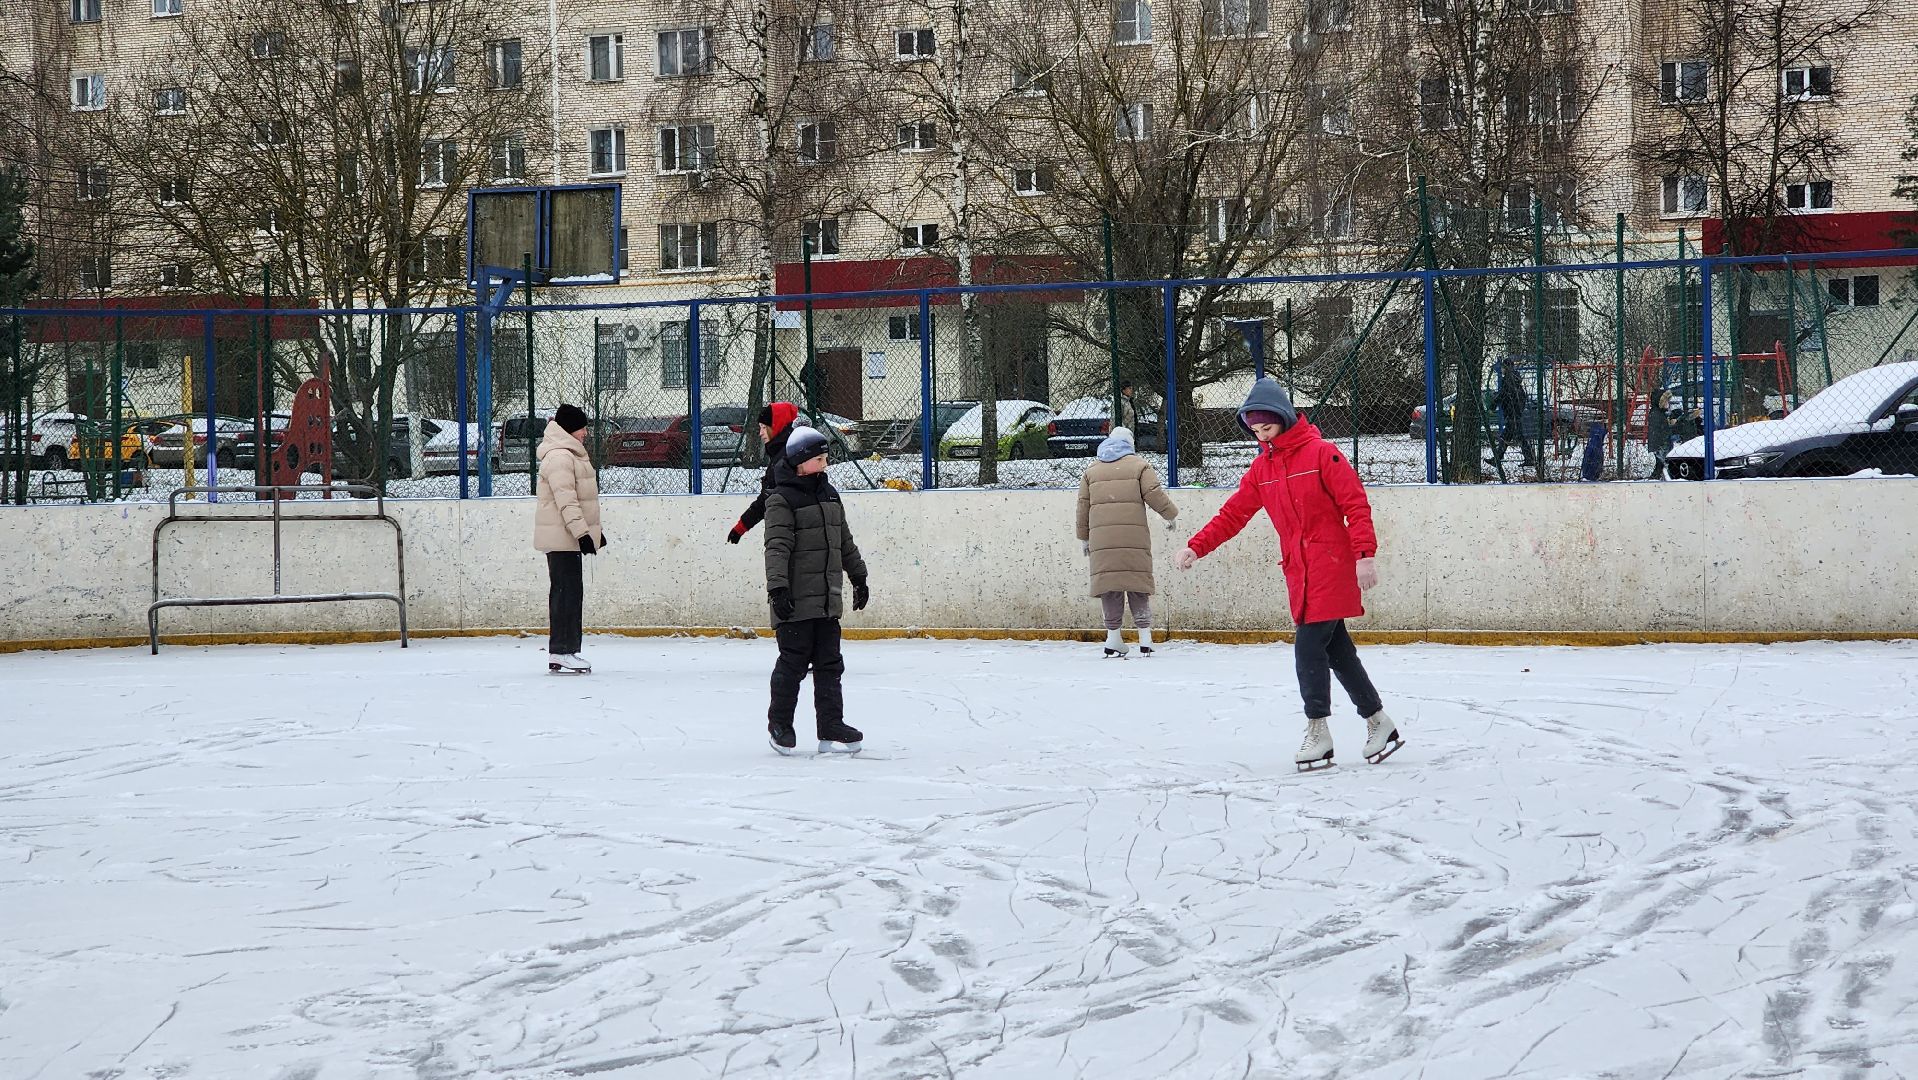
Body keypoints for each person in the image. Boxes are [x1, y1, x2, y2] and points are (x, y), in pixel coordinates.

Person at [1175, 377, 1403, 771]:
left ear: (1282, 418)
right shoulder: (1262, 468)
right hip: (1300, 571)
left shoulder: (1321, 455)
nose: (1261, 435)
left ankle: (1318, 731)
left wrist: (1364, 554)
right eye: (1255, 429)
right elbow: (1234, 514)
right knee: (1339, 653)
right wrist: (1197, 545)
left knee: (1308, 647)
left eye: (1267, 427)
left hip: (1331, 566)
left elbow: (1356, 503)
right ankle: (1379, 722)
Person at [763, 425, 870, 755]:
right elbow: (776, 547)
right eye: (819, 459)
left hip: (826, 601)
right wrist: (778, 590)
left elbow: (844, 542)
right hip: (794, 602)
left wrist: (859, 577)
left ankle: (831, 726)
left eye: (826, 459)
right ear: (799, 462)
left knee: (830, 665)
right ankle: (780, 725)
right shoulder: (782, 499)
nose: (824, 465)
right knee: (792, 665)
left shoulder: (830, 494)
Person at [1076, 425, 1177, 657]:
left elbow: (1082, 507)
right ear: (1130, 444)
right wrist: (1170, 514)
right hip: (1134, 537)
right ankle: (1145, 639)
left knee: (1109, 587)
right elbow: (1154, 494)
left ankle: (1113, 639)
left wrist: (1084, 538)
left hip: (1102, 540)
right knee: (1137, 584)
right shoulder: (1139, 466)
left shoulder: (1092, 471)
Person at [534, 404, 605, 675]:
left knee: (570, 594)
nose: (586, 433)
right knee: (565, 595)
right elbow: (567, 501)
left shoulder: (567, 454)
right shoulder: (561, 457)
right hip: (563, 538)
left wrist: (593, 533)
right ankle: (562, 651)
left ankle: (565, 651)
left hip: (566, 537)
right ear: (570, 429)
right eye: (582, 428)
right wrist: (582, 534)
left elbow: (578, 501)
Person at [726, 401, 801, 544]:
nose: (760, 433)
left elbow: (768, 497)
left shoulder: (786, 457)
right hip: (786, 531)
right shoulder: (781, 453)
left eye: (764, 427)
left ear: (776, 426)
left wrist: (741, 527)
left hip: (789, 535)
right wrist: (741, 527)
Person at [1491, 358, 1537, 468]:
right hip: (1515, 412)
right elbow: (1521, 397)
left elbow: (1503, 394)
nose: (1501, 370)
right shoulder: (1515, 379)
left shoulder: (1508, 379)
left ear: (1506, 367)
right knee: (1509, 436)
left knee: (1515, 436)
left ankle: (1498, 458)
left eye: (1502, 367)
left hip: (1512, 413)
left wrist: (1493, 405)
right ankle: (1498, 458)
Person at [1646, 388, 1674, 479]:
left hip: (1660, 443)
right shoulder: (1657, 414)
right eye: (1666, 401)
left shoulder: (1659, 413)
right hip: (1660, 444)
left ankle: (1657, 476)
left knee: (1661, 464)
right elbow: (1661, 430)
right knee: (1662, 463)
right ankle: (1656, 477)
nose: (1668, 404)